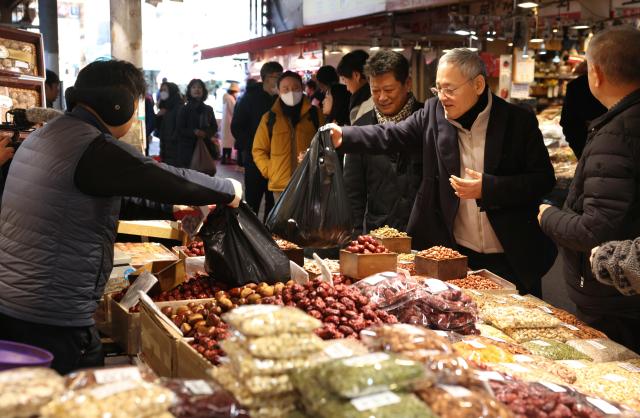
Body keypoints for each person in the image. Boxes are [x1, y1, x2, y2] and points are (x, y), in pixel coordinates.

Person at [0, 59, 242, 374]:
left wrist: (168, 210)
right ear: (120, 106)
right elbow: (158, 175)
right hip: (53, 314)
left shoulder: (50, 135)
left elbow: (100, 194)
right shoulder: (91, 145)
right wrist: (227, 189)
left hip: (16, 304)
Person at [329, 48, 557, 297]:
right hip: (457, 254)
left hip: (512, 254)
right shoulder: (434, 112)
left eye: (450, 89)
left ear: (478, 85)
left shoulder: (517, 121)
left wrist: (489, 188)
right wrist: (345, 135)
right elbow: (392, 134)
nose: (443, 97)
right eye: (438, 89)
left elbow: (542, 180)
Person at [539, 27, 640, 351]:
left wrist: (547, 216)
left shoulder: (617, 135)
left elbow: (594, 230)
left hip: (616, 298)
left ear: (594, 73)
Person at [343, 50, 423, 236]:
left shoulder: (427, 121)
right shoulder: (361, 128)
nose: (381, 98)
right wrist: (354, 240)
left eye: (388, 90)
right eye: (375, 91)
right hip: (379, 235)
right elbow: (353, 193)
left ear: (408, 84)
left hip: (423, 234)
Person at [252, 71, 324, 201]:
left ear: (302, 88)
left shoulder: (315, 114)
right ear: (278, 91)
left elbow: (324, 145)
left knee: (310, 220)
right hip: (280, 187)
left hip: (309, 184)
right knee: (283, 221)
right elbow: (259, 150)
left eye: (295, 88)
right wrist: (270, 171)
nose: (291, 92)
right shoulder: (269, 118)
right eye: (285, 89)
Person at [231, 61, 283, 220]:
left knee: (273, 202)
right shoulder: (249, 98)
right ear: (266, 77)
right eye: (277, 77)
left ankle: (268, 236)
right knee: (252, 200)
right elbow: (237, 127)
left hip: (278, 158)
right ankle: (249, 237)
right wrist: (253, 146)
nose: (280, 80)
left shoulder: (282, 98)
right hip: (254, 159)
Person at [560, 62, 607, 158]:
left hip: (588, 149)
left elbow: (568, 124)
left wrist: (582, 153)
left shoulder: (575, 86)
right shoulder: (576, 87)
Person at [175, 79, 218, 169]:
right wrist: (194, 132)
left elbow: (214, 127)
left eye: (199, 87)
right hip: (187, 150)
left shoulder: (208, 109)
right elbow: (179, 128)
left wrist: (205, 133)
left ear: (203, 91)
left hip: (205, 147)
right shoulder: (184, 109)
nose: (197, 90)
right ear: (189, 91)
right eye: (193, 87)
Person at [337, 50, 374, 124]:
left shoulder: (363, 106)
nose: (347, 88)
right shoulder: (373, 96)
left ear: (356, 75)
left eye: (345, 81)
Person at [156, 81, 183, 166]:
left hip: (174, 148)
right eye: (162, 90)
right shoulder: (164, 107)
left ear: (172, 91)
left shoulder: (178, 107)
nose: (163, 92)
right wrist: (158, 116)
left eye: (165, 90)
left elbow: (179, 128)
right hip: (165, 146)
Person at [221, 82, 240, 164]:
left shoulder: (226, 97)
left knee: (226, 142)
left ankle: (224, 158)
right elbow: (234, 110)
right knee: (228, 142)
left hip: (226, 122)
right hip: (229, 122)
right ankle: (227, 159)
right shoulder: (230, 98)